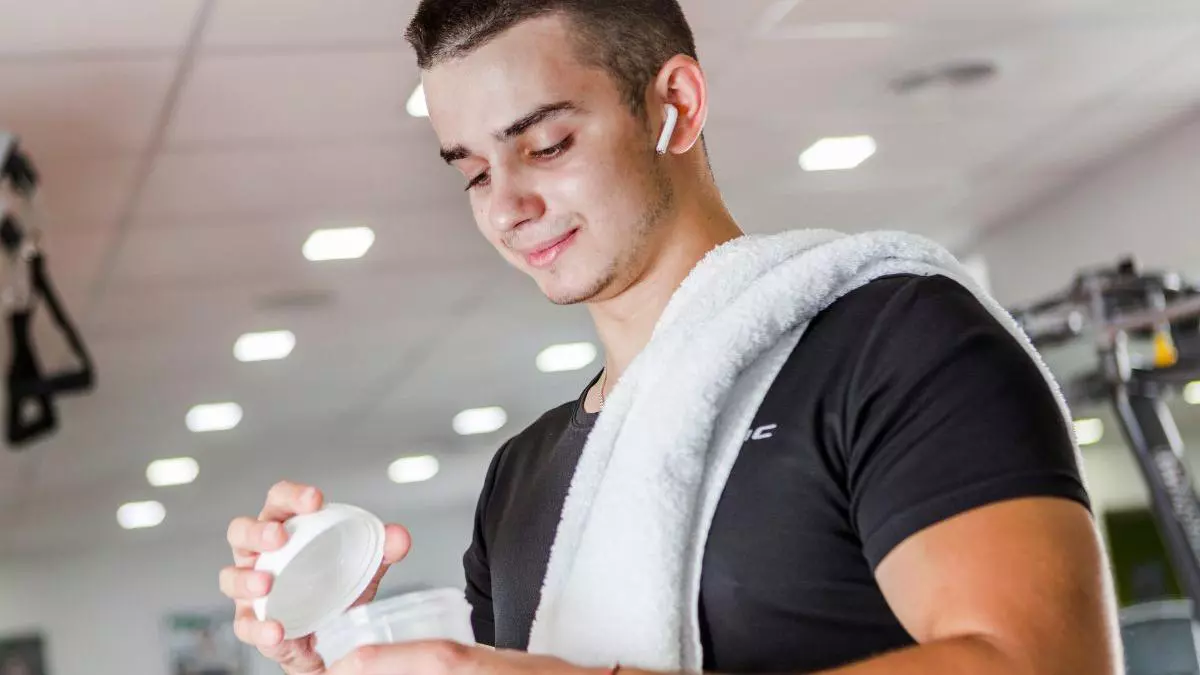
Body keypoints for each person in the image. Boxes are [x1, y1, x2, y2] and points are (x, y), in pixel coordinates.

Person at [219, 1, 1123, 674]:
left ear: (676, 106)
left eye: (546, 145)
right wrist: (340, 644)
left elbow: (1043, 664)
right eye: (473, 173)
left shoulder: (894, 341)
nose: (506, 207)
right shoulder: (522, 478)